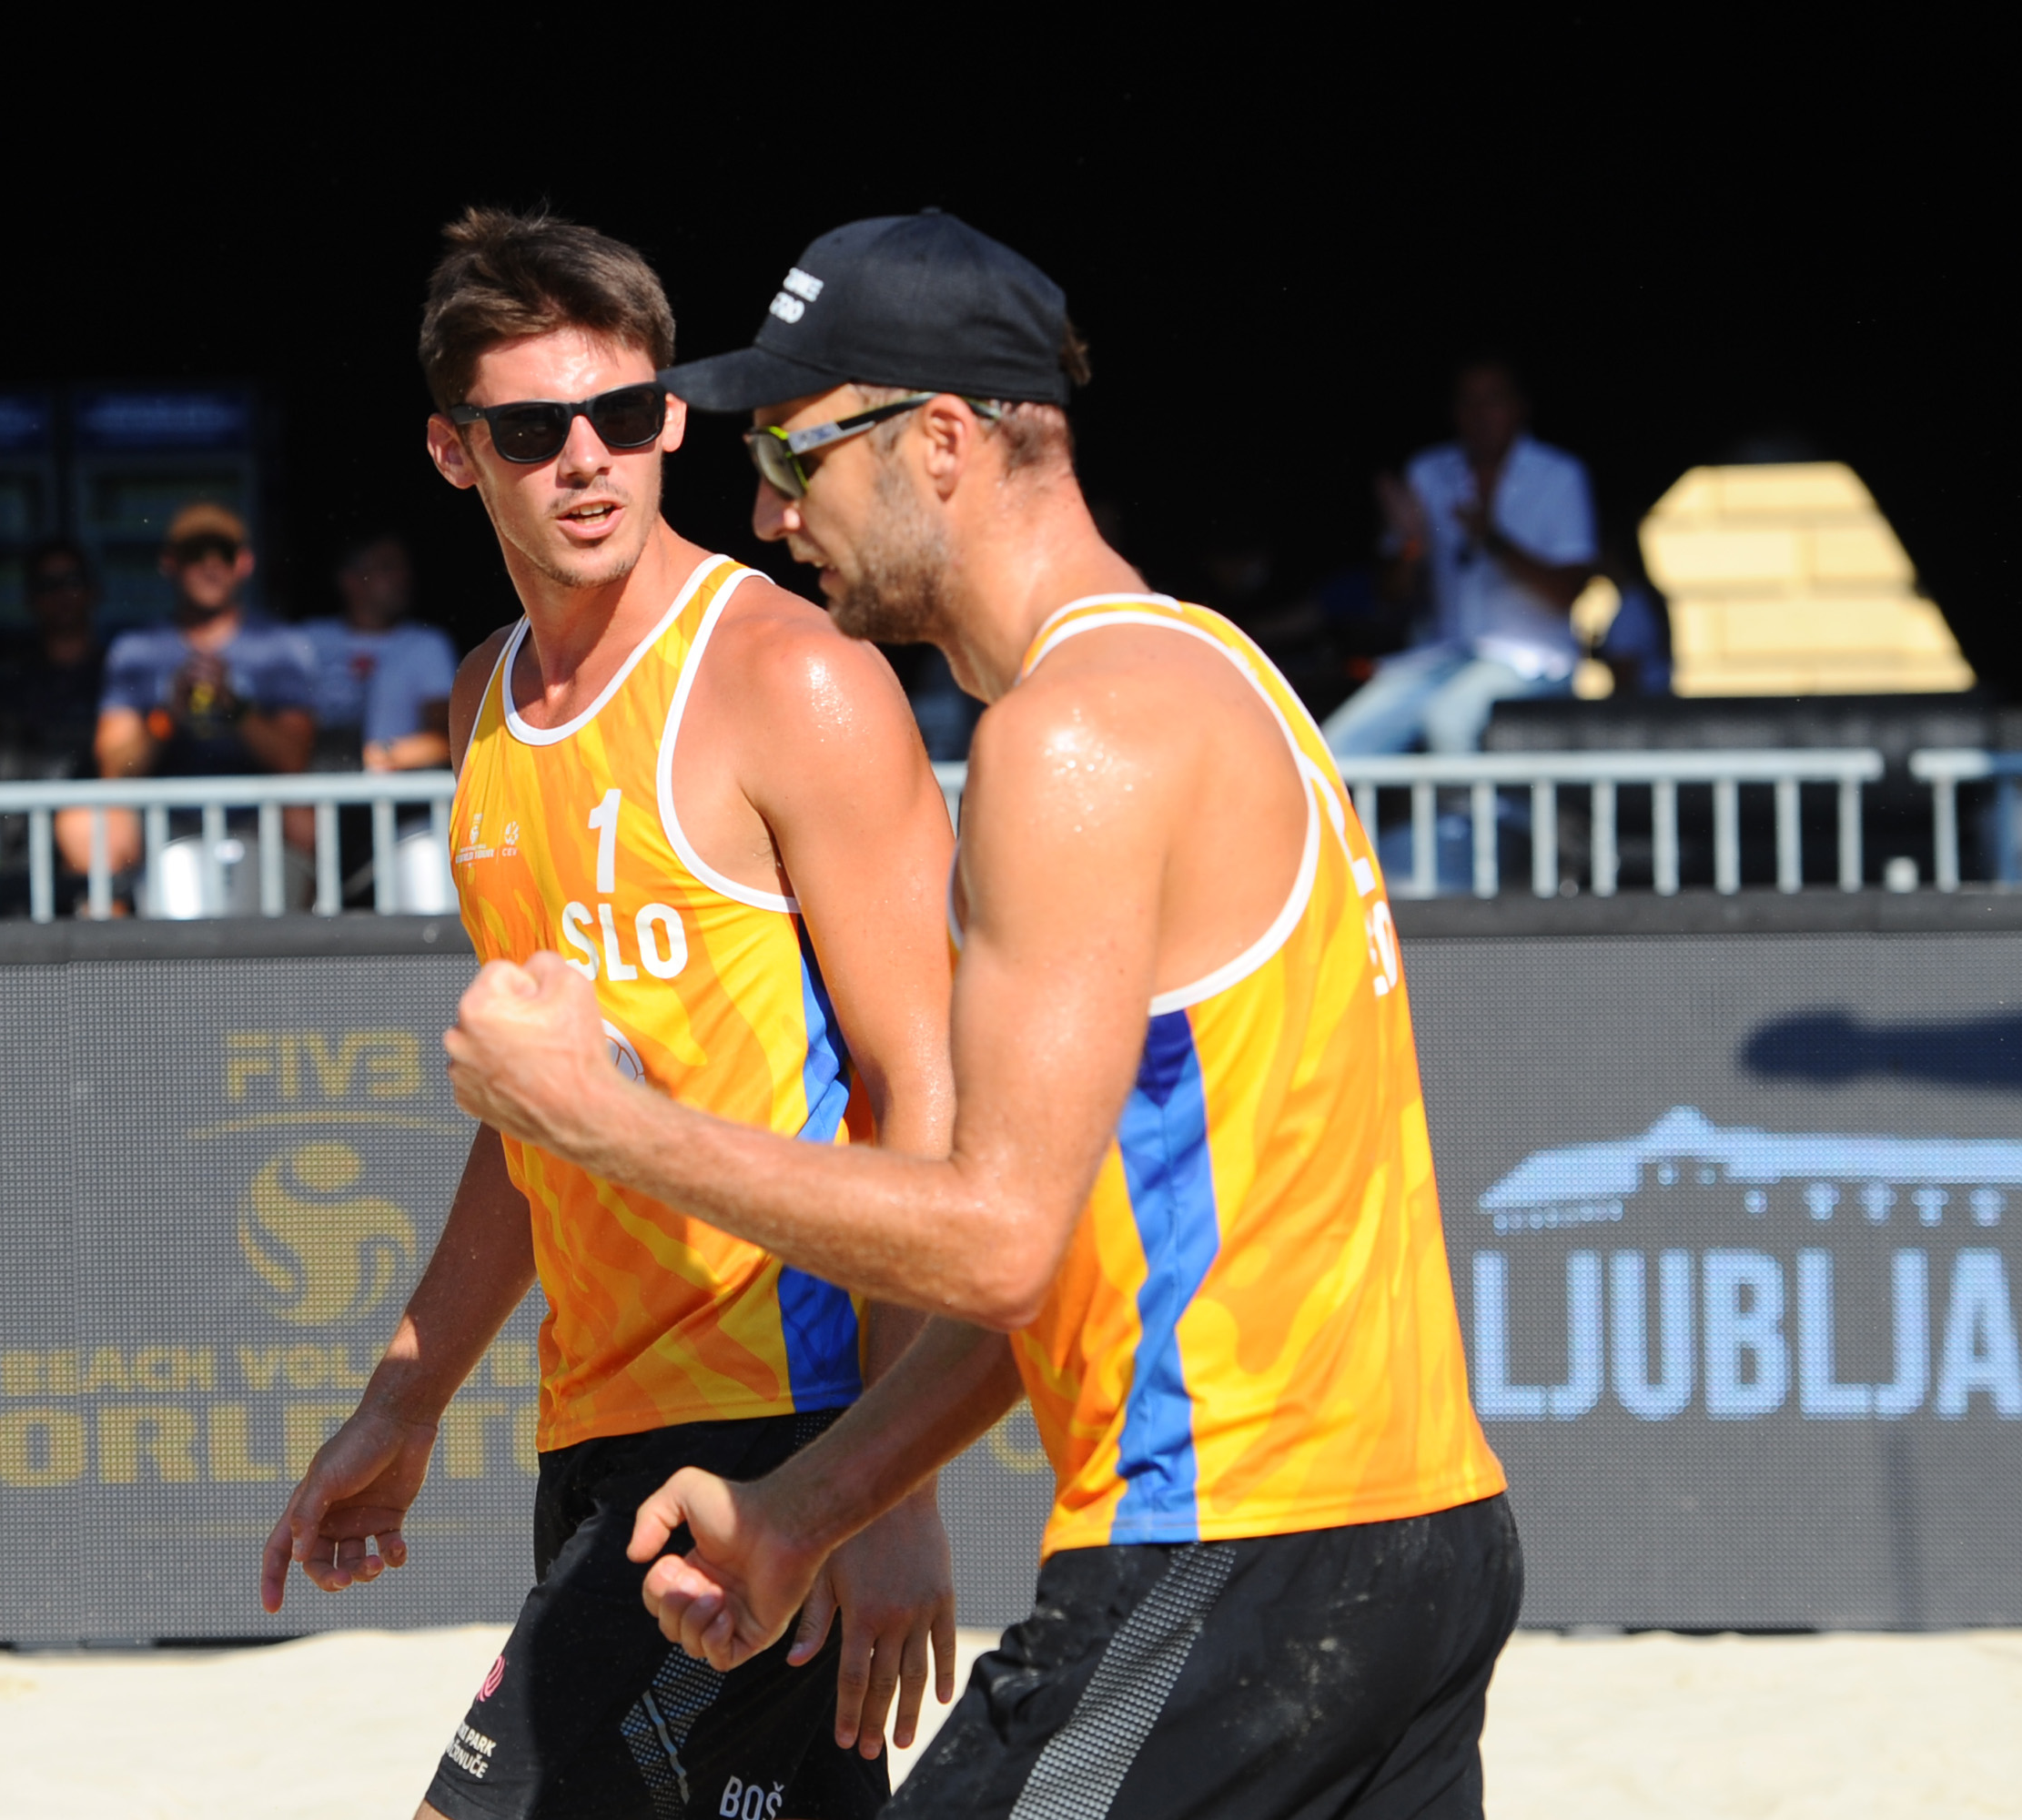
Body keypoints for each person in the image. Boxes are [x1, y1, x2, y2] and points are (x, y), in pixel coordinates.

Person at [444, 212, 1518, 1819]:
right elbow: (1064, 1261)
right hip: (1417, 1533)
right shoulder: (1214, 678)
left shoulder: (1069, 738)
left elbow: (995, 1242)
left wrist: (603, 1122)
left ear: (938, 441)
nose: (768, 510)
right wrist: (811, 1508)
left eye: (795, 453)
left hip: (1225, 1545)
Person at [259, 206, 962, 1820]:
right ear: (454, 453)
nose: (588, 461)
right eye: (532, 431)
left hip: (774, 1431)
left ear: (672, 421)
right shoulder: (484, 703)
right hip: (595, 1424)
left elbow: (922, 1092)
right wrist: (406, 1398)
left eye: (626, 414)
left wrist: (887, 1490)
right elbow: (542, 1125)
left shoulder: (788, 675)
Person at [1322, 358, 1600, 753]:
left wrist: (1493, 539)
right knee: (1338, 745)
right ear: (1453, 412)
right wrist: (1411, 544)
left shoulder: (1559, 475)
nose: (1480, 414)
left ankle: (1471, 800)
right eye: (1468, 402)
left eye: (1493, 400)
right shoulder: (1429, 472)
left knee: (1449, 718)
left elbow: (1567, 593)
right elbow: (1391, 597)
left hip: (1535, 660)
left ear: (1521, 407)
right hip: (1444, 657)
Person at [61, 500, 317, 880]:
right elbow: (116, 767)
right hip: (162, 815)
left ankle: (306, 918)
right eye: (195, 554)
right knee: (85, 821)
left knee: (303, 815)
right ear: (170, 563)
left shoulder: (281, 645)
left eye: (223, 554)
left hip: (255, 813)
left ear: (244, 563)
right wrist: (169, 712)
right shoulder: (137, 650)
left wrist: (234, 705)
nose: (210, 566)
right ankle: (114, 914)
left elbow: (293, 761)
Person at [305, 533, 459, 773]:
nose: (403, 577)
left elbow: (448, 737)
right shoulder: (308, 639)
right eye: (387, 567)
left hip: (400, 792)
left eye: (403, 568)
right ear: (350, 580)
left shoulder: (427, 645)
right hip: (314, 789)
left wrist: (376, 755)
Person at [0, 537, 106, 767]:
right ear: (30, 598)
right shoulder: (7, 687)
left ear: (93, 591)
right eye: (47, 584)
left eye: (72, 581)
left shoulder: (119, 677)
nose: (62, 594)